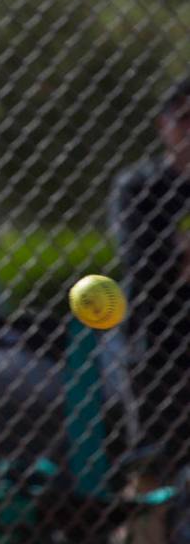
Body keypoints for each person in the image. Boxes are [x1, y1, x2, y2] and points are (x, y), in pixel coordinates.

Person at [111, 75, 190, 479]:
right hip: (157, 347)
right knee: (152, 470)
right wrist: (171, 258)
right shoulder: (140, 187)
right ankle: (148, 540)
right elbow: (143, 263)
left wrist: (177, 253)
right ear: (164, 125)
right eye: (184, 120)